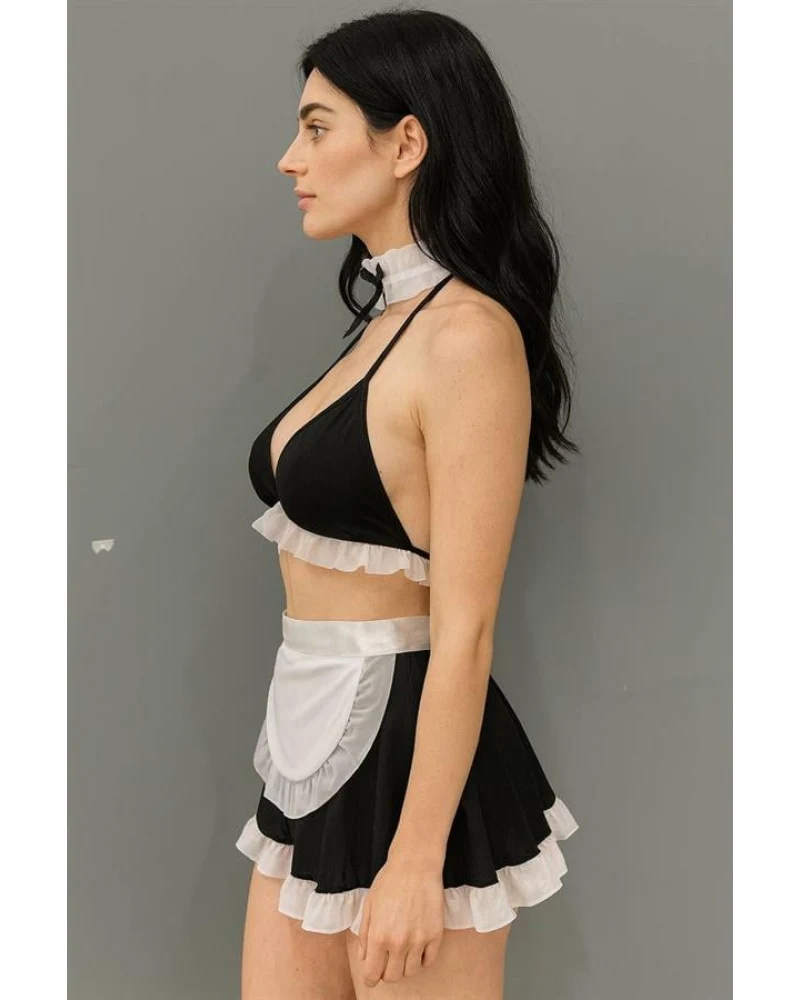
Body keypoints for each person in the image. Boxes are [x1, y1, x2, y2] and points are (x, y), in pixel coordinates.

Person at [236, 9, 580, 999]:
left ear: (406, 143)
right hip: (304, 741)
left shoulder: (467, 336)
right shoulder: (388, 320)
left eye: (316, 127)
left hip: (408, 762)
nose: (290, 158)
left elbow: (464, 627)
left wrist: (417, 858)